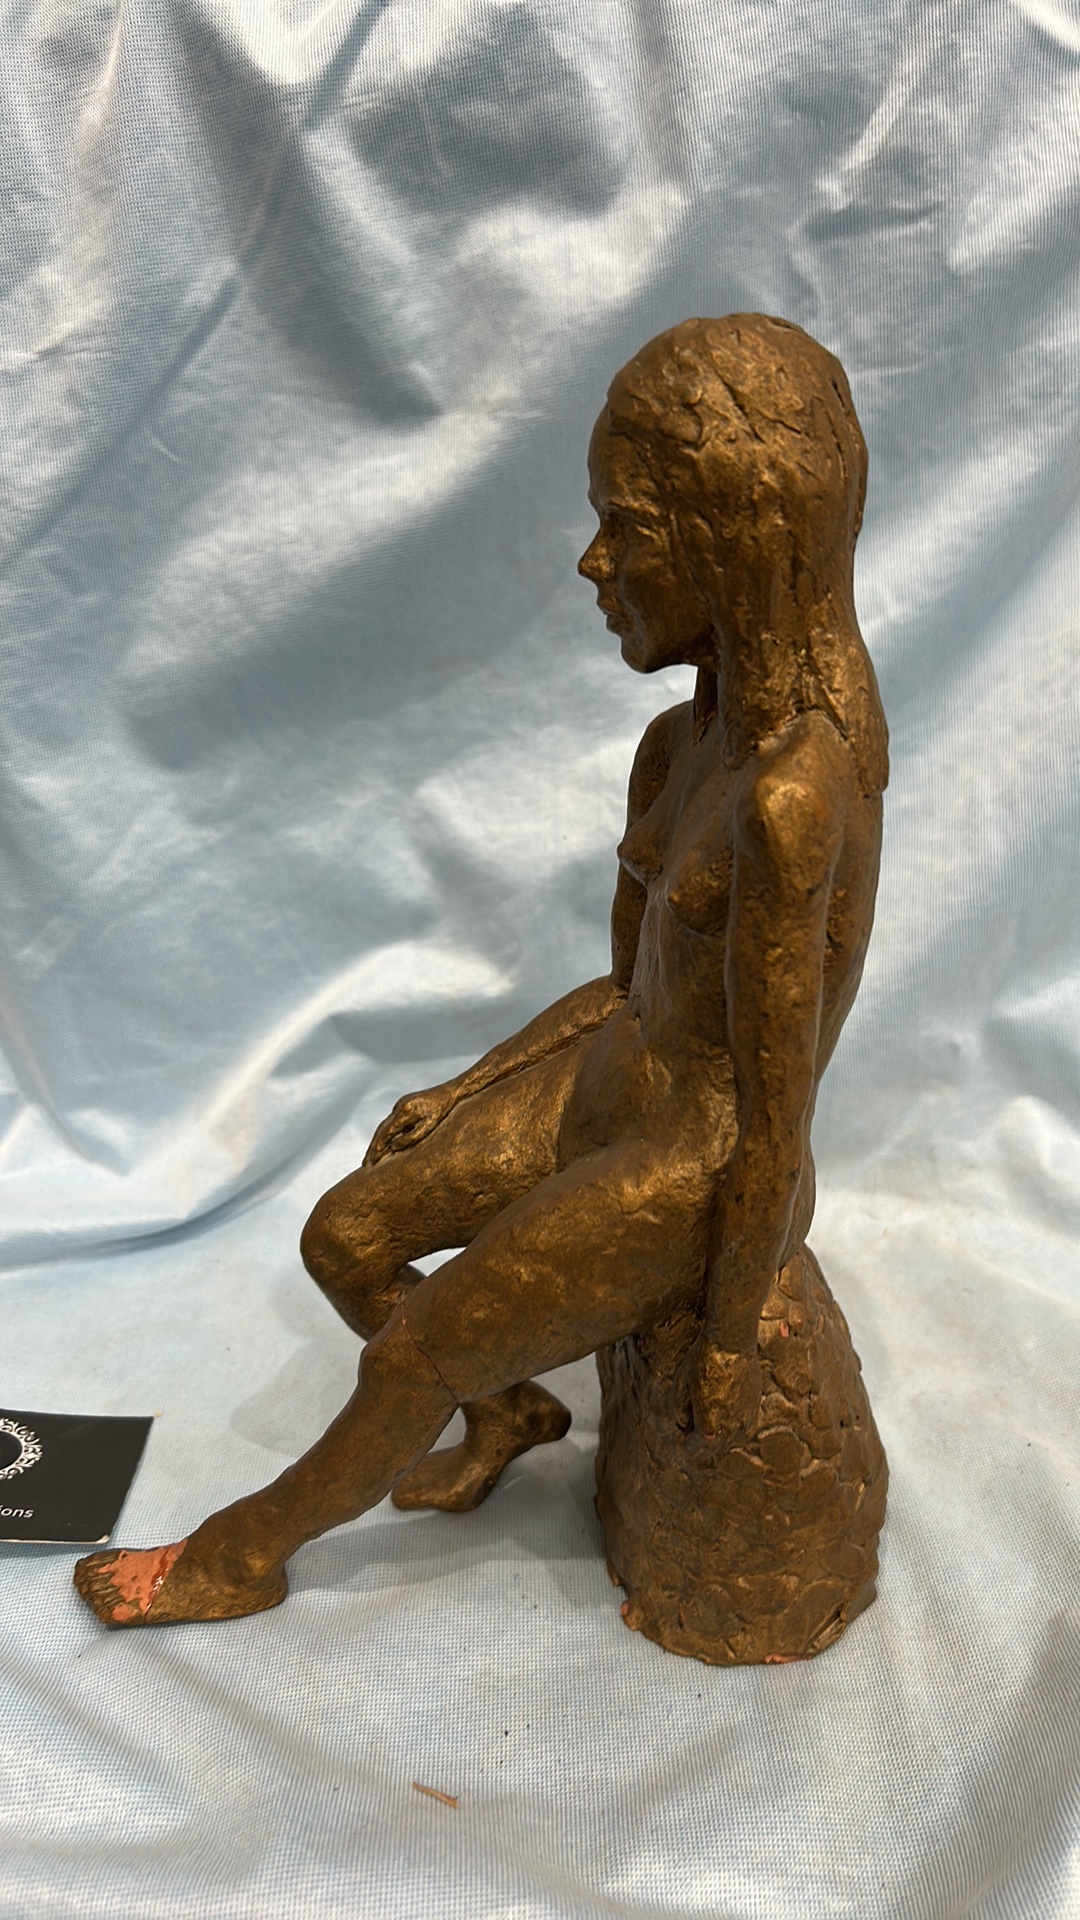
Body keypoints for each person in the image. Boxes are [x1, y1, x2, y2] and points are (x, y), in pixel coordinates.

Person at [75, 314, 888, 1627]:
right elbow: (626, 995)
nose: (594, 563)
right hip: (614, 1086)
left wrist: (731, 1329)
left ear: (730, 541)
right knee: (344, 1239)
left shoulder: (793, 802)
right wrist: (465, 1088)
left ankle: (237, 1554)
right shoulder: (675, 749)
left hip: (689, 1163)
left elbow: (775, 1114)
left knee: (411, 1353)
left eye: (628, 529)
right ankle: (510, 1412)